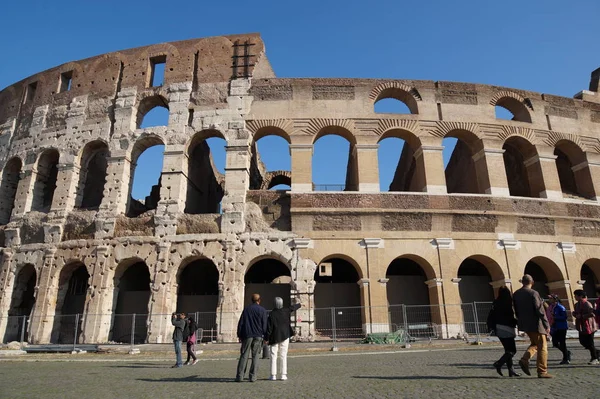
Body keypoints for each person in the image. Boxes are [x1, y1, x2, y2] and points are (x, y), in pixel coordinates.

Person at [513, 274, 552, 378]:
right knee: (543, 346)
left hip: (524, 323)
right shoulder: (533, 293)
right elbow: (540, 310)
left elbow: (516, 309)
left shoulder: (516, 294)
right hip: (536, 323)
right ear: (532, 282)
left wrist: (520, 321)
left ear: (522, 282)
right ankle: (542, 371)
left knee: (535, 343)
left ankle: (525, 360)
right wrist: (546, 324)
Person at [265, 297, 302, 381]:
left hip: (274, 336)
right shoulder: (285, 311)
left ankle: (273, 375)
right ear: (281, 304)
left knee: (273, 356)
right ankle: (283, 374)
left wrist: (266, 338)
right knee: (283, 355)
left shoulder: (271, 314)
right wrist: (299, 304)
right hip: (285, 335)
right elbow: (293, 307)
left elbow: (269, 328)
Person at [488, 286, 520, 377]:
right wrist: (516, 322)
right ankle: (499, 363)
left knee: (507, 350)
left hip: (498, 328)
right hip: (507, 328)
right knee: (512, 350)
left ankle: (511, 370)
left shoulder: (496, 302)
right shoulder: (507, 302)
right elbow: (509, 316)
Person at [235, 293, 268, 382]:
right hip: (258, 335)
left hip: (247, 335)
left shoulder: (246, 310)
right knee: (256, 356)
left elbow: (241, 323)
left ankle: (240, 376)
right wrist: (266, 337)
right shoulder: (262, 310)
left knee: (244, 355)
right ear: (259, 300)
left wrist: (239, 335)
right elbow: (265, 325)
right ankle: (253, 377)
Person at [572, 289, 599, 364]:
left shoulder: (587, 304)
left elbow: (592, 314)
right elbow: (576, 313)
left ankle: (594, 358)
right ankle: (596, 352)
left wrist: (582, 316)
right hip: (581, 326)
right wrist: (574, 314)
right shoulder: (576, 304)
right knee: (582, 341)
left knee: (590, 342)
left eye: (576, 295)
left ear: (580, 296)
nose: (575, 297)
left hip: (589, 326)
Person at [547, 294, 570, 364]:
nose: (549, 300)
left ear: (555, 299)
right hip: (554, 327)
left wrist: (555, 317)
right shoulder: (550, 307)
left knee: (562, 343)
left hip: (561, 327)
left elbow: (564, 317)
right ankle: (566, 352)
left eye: (551, 298)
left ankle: (566, 358)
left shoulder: (560, 307)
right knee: (555, 343)